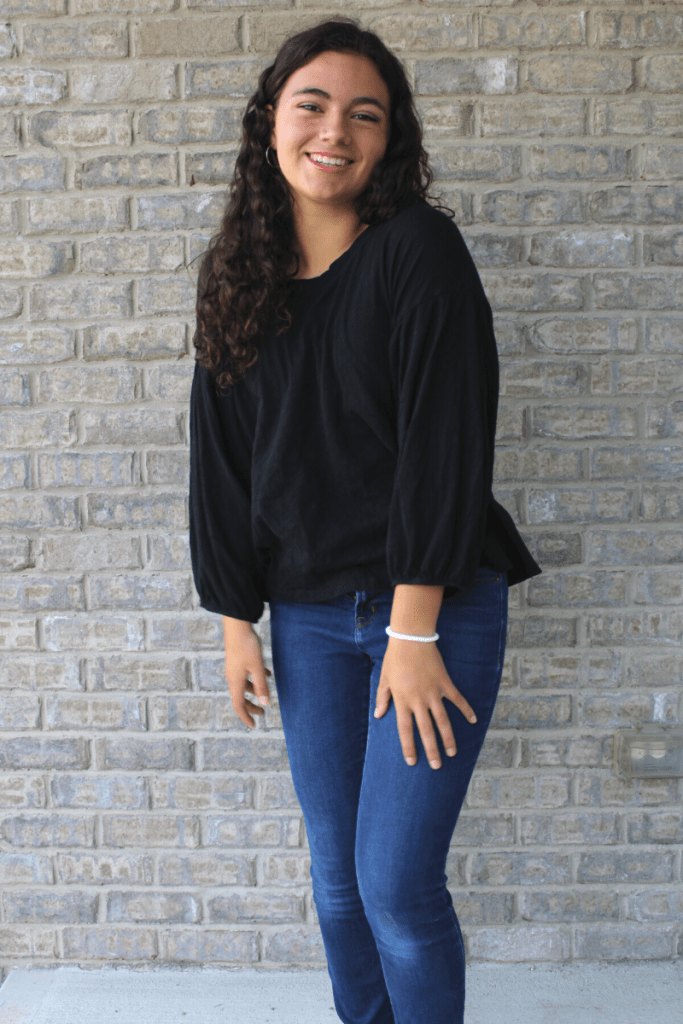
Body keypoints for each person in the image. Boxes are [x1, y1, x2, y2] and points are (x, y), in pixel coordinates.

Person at [189, 17, 541, 1024]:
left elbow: (447, 443)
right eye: (311, 105)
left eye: (365, 114)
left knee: (394, 887)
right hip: (306, 617)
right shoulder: (238, 275)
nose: (333, 131)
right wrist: (235, 622)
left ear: (391, 139)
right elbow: (220, 459)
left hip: (431, 609)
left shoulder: (416, 251)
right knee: (338, 887)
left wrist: (412, 630)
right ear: (270, 121)